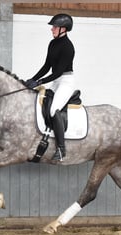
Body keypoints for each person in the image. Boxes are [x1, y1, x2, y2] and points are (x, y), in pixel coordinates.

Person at [25, 13, 76, 161]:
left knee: (54, 109)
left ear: (63, 29)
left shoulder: (68, 47)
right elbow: (47, 66)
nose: (52, 29)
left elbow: (59, 72)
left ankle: (61, 149)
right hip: (56, 81)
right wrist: (32, 79)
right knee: (40, 101)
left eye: (54, 27)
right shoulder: (52, 43)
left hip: (66, 81)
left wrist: (40, 82)